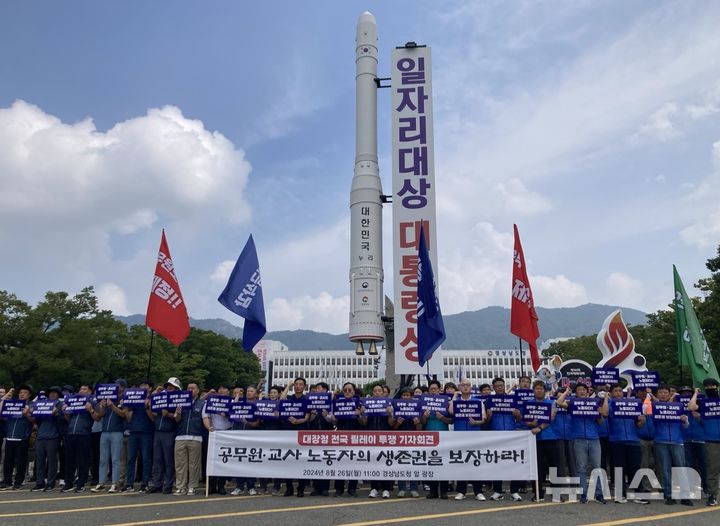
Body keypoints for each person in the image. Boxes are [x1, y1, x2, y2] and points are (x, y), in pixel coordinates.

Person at [557, 382, 607, 503]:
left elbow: (603, 416)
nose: (582, 391)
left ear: (588, 391)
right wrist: (566, 392)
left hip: (594, 439)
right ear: (576, 392)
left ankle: (599, 494)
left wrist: (605, 399)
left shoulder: (594, 403)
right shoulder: (573, 404)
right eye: (579, 390)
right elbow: (558, 402)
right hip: (579, 439)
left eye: (584, 390)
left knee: (597, 468)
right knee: (581, 468)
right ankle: (583, 494)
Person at [648, 384, 694, 506]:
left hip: (677, 442)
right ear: (657, 395)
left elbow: (685, 426)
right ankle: (668, 495)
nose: (663, 394)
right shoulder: (654, 407)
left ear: (670, 394)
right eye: (660, 393)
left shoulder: (678, 407)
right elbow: (651, 425)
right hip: (661, 442)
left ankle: (685, 496)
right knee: (665, 470)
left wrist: (685, 420)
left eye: (665, 392)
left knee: (681, 469)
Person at [604, 384, 648, 504]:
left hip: (633, 441)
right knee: (619, 469)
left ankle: (639, 494)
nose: (618, 393)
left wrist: (642, 421)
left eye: (619, 391)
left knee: (635, 468)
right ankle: (620, 495)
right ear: (611, 393)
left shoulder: (632, 405)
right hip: (616, 440)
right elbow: (605, 413)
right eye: (615, 391)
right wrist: (606, 398)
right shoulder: (610, 404)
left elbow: (638, 424)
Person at [486, 377, 523, 501]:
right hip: (496, 434)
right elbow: (486, 421)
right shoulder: (489, 400)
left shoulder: (513, 400)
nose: (500, 387)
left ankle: (514, 491)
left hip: (511, 433)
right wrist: (489, 416)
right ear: (493, 388)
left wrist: (517, 415)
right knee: (497, 463)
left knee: (514, 462)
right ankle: (497, 490)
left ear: (504, 385)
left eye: (501, 385)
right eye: (497, 386)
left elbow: (519, 419)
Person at [450, 379, 486, 501]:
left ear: (471, 387)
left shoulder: (477, 402)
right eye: (463, 385)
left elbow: (484, 418)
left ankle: (478, 491)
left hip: (474, 435)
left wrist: (477, 422)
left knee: (475, 462)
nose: (465, 387)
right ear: (459, 387)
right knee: (461, 462)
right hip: (459, 436)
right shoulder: (457, 401)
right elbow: (450, 411)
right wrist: (454, 396)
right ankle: (461, 491)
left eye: (467, 385)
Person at [524, 381, 559, 502]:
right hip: (534, 439)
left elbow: (551, 417)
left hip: (550, 437)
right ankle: (538, 493)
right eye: (536, 389)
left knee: (554, 466)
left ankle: (556, 493)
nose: (539, 391)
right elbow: (526, 420)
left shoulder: (552, 403)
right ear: (533, 391)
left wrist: (539, 428)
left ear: (545, 391)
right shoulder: (528, 404)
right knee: (537, 467)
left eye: (541, 389)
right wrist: (530, 423)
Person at [61, 384, 99, 493]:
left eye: (84, 389)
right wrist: (65, 411)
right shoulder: (73, 401)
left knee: (83, 459)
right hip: (71, 433)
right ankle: (68, 482)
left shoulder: (92, 401)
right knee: (69, 459)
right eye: (80, 389)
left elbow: (97, 417)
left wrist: (90, 409)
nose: (81, 391)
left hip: (84, 433)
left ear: (90, 392)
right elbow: (68, 419)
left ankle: (81, 483)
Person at [92, 379, 128, 493]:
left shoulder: (124, 399)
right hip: (105, 431)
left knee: (116, 459)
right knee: (103, 459)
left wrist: (112, 406)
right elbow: (100, 416)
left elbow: (123, 414)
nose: (116, 388)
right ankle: (101, 482)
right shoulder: (107, 398)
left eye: (118, 386)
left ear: (123, 387)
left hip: (117, 431)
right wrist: (102, 406)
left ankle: (115, 483)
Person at [147, 378, 180, 494]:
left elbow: (177, 418)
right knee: (157, 460)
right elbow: (153, 417)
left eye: (172, 387)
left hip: (169, 432)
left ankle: (169, 484)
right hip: (158, 431)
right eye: (168, 386)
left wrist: (168, 415)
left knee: (168, 460)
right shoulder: (160, 398)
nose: (169, 388)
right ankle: (157, 484)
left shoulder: (178, 400)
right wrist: (151, 404)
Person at [0, 385, 35, 490]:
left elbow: (34, 421)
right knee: (8, 460)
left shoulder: (31, 404)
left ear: (29, 395)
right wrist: (5, 398)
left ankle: (18, 481)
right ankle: (7, 481)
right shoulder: (12, 403)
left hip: (22, 436)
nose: (22, 394)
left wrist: (27, 414)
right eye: (20, 392)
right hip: (10, 435)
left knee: (20, 461)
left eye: (24, 392)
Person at [390, 388, 422, 498]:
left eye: (408, 395)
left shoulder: (417, 408)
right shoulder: (397, 408)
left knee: (414, 463)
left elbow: (420, 429)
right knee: (401, 463)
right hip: (400, 439)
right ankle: (402, 488)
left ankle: (414, 488)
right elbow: (393, 428)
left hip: (413, 439)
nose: (406, 397)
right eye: (404, 395)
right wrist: (398, 423)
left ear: (412, 397)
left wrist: (417, 423)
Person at [422, 380, 452, 499]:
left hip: (443, 434)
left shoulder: (446, 402)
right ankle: (433, 490)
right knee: (431, 463)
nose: (433, 391)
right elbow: (422, 422)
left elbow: (451, 420)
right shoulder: (424, 402)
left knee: (443, 463)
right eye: (431, 389)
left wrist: (443, 418)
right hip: (429, 434)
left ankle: (444, 491)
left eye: (435, 389)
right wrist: (424, 417)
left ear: (440, 390)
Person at [173, 382, 204, 496]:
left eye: (193, 388)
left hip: (195, 437)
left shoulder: (202, 403)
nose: (190, 390)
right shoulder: (180, 402)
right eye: (188, 388)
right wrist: (177, 413)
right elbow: (177, 420)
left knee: (193, 464)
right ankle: (180, 486)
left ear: (197, 390)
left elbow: (204, 419)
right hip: (180, 436)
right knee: (180, 464)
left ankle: (192, 486)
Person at [31, 386, 64, 491]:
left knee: (52, 461)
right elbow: (37, 421)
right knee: (39, 461)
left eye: (55, 393)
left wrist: (57, 414)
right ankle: (39, 482)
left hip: (53, 436)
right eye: (50, 393)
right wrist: (33, 412)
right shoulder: (42, 404)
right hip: (41, 436)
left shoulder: (60, 404)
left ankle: (50, 483)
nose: (52, 395)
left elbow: (64, 421)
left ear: (58, 395)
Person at [281, 377, 310, 497]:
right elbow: (281, 399)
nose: (298, 386)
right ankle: (289, 488)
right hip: (289, 433)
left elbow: (308, 416)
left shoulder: (307, 399)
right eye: (296, 384)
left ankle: (301, 488)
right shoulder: (289, 399)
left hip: (302, 432)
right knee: (288, 460)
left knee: (302, 461)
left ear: (304, 387)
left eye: (300, 384)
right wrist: (288, 386)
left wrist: (300, 421)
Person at [364, 384, 393, 499]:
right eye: (375, 391)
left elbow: (391, 423)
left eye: (379, 390)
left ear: (383, 393)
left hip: (384, 436)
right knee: (373, 463)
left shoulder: (389, 404)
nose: (377, 392)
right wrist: (363, 413)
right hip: (371, 436)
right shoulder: (367, 405)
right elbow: (364, 422)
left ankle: (386, 488)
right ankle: (374, 488)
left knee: (385, 462)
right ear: (372, 393)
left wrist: (390, 413)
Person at [203, 384, 233, 495]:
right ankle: (211, 485)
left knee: (224, 459)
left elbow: (236, 416)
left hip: (226, 432)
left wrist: (227, 414)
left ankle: (221, 485)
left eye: (224, 388)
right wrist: (209, 427)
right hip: (213, 432)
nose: (221, 390)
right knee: (212, 460)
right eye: (220, 388)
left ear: (228, 391)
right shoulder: (209, 402)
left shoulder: (232, 402)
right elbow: (205, 416)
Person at [124, 382, 155, 493]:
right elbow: (128, 418)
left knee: (146, 459)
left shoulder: (153, 399)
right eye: (141, 386)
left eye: (145, 386)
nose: (143, 388)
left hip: (147, 432)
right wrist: (127, 407)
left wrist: (147, 406)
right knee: (131, 459)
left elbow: (153, 418)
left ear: (150, 388)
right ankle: (129, 484)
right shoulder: (134, 399)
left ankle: (145, 483)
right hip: (133, 431)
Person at [695, 378, 720, 506]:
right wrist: (695, 393)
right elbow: (692, 407)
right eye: (708, 386)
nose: (710, 388)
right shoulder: (703, 402)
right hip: (711, 440)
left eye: (713, 385)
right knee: (713, 469)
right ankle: (713, 495)